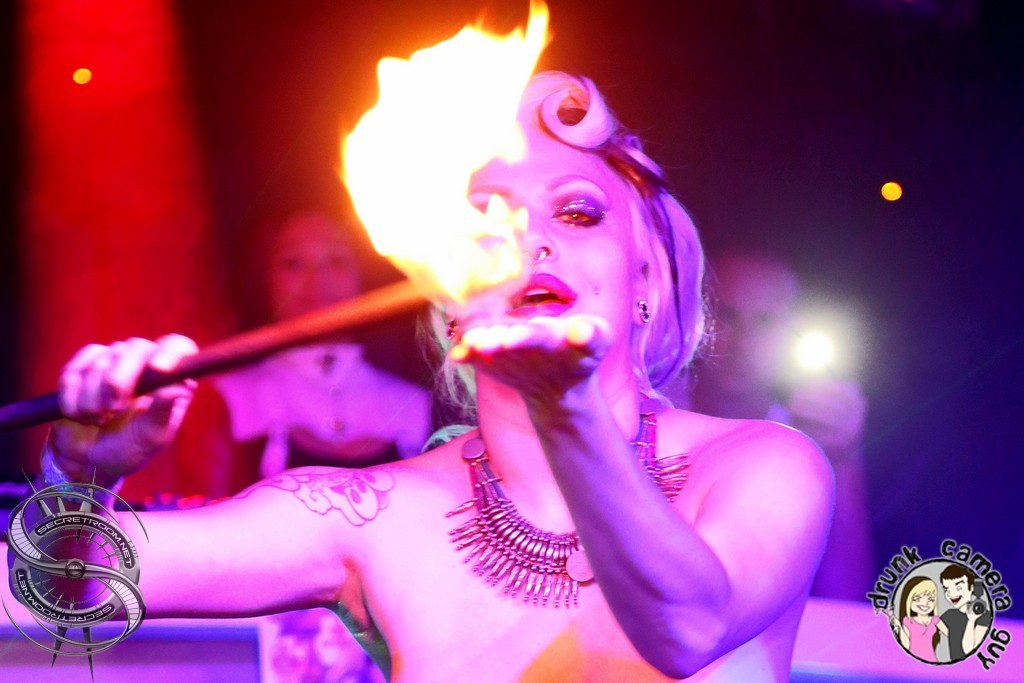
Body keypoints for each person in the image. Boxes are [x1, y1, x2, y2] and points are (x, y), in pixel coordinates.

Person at [41, 71, 833, 681]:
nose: (530, 241)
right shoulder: (377, 516)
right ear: (450, 303)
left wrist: (565, 404)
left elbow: (686, 628)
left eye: (577, 212)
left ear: (646, 280)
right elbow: (61, 587)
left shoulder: (758, 466)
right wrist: (81, 472)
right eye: (487, 218)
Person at [138, 210, 433, 501]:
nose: (317, 280)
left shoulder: (414, 402)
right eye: (293, 263)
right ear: (264, 278)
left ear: (362, 273)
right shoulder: (226, 396)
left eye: (336, 260)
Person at [663, 251, 872, 601]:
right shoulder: (656, 415)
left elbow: (846, 596)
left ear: (793, 333)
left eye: (765, 321)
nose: (744, 339)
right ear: (696, 318)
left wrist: (841, 461)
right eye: (728, 315)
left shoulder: (813, 437)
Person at [885, 576, 947, 662]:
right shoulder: (908, 621)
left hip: (931, 660)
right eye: (917, 599)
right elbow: (906, 645)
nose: (925, 603)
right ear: (908, 600)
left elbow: (952, 635)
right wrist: (898, 626)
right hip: (912, 662)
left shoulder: (935, 620)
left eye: (931, 599)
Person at [939, 565, 992, 662]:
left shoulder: (984, 616)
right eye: (946, 589)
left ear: (971, 588)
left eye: (958, 588)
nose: (951, 594)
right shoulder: (949, 615)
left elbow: (969, 650)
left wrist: (971, 620)